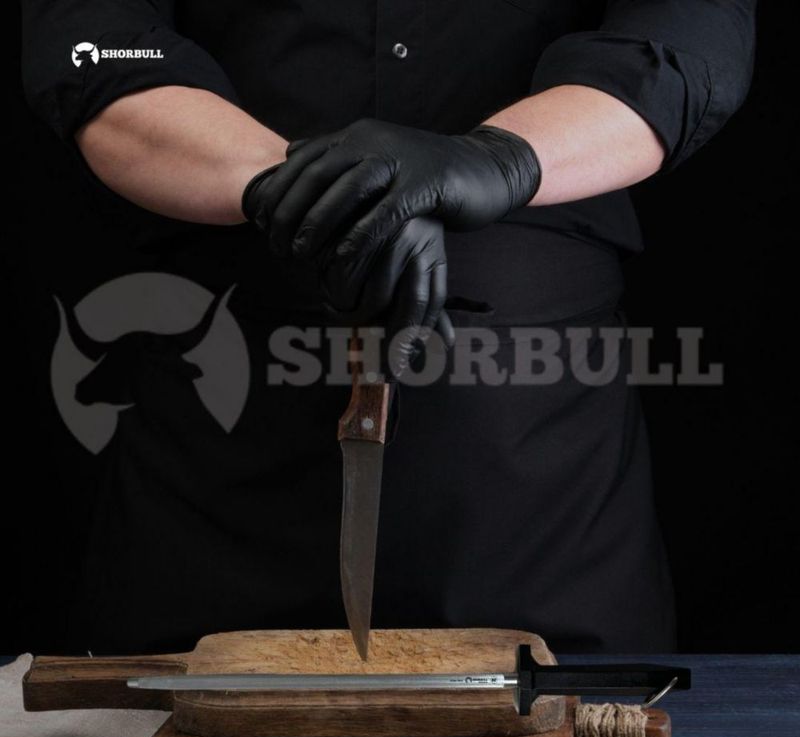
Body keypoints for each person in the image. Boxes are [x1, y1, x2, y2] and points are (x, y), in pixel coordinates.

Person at [20, 1, 756, 655]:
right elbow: (98, 44)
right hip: (215, 470)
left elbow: (683, 41)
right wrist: (304, 189)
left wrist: (494, 161)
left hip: (543, 481)